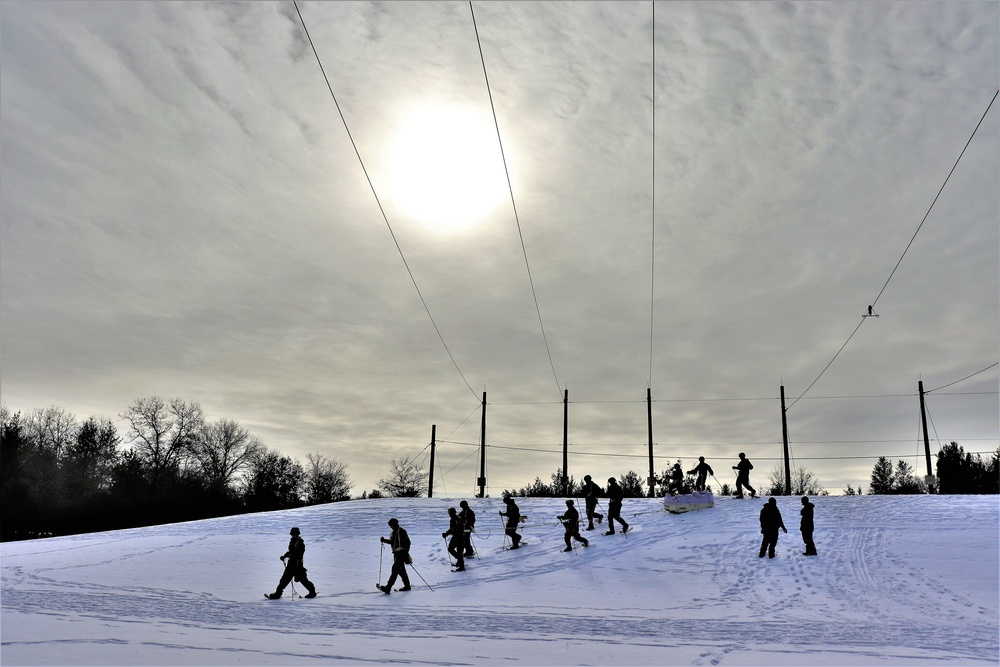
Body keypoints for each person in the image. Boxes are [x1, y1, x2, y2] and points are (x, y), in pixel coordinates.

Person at [266, 526, 317, 599]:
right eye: (292, 534)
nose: (293, 536)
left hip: (297, 565)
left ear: (297, 534)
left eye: (294, 534)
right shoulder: (292, 541)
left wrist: (291, 555)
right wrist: (284, 556)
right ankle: (277, 594)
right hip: (291, 564)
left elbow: (299, 554)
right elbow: (291, 551)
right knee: (284, 579)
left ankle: (312, 592)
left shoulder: (300, 543)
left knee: (303, 580)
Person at [378, 518, 411, 593]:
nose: (391, 527)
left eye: (391, 525)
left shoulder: (402, 532)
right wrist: (384, 540)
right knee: (401, 571)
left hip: (401, 555)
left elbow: (408, 543)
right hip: (396, 555)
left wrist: (405, 553)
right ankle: (407, 586)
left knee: (394, 569)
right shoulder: (395, 532)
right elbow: (392, 542)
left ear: (395, 524)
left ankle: (388, 587)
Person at [442, 507, 466, 571]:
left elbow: (456, 529)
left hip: (459, 537)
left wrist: (447, 534)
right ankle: (459, 562)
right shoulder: (454, 519)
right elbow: (452, 529)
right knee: (454, 550)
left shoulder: (456, 519)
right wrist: (446, 534)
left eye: (450, 513)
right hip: (457, 537)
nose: (449, 514)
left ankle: (461, 566)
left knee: (456, 550)